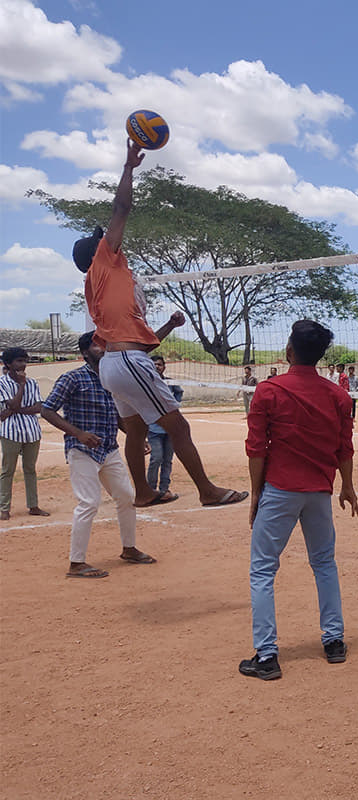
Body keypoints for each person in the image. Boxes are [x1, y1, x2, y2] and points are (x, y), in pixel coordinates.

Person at [72, 139, 247, 509]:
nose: (114, 239)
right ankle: (207, 491)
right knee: (178, 428)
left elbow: (144, 344)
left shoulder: (97, 286)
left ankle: (145, 492)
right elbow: (121, 208)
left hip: (114, 365)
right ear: (99, 250)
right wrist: (128, 168)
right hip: (126, 364)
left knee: (135, 430)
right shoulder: (105, 262)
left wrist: (166, 326)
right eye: (106, 240)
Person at [239, 320, 358, 681]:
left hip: (280, 489)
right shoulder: (337, 395)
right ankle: (334, 642)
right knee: (324, 563)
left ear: (289, 351)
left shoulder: (268, 390)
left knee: (262, 569)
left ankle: (267, 655)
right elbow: (344, 447)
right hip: (319, 491)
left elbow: (256, 447)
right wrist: (347, 486)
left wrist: (256, 493)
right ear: (321, 355)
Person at [40, 332, 156, 578]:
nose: (102, 347)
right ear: (84, 353)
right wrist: (79, 434)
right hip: (82, 449)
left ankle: (129, 549)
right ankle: (76, 563)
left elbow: (116, 414)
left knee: (126, 496)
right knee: (88, 503)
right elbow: (47, 410)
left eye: (104, 343)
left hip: (109, 449)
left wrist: (136, 438)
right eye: (96, 344)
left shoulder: (110, 379)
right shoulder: (73, 378)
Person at [1, 347, 49, 520]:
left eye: (24, 361)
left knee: (30, 469)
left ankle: (33, 505)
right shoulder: (2, 383)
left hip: (32, 432)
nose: (23, 365)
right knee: (8, 470)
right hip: (10, 432)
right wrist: (21, 386)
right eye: (18, 361)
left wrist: (14, 410)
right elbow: (13, 404)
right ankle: (4, 507)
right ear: (8, 363)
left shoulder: (33, 383)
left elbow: (38, 407)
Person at [146, 355, 183, 501]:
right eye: (154, 364)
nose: (157, 367)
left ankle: (164, 489)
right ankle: (151, 489)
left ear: (164, 367)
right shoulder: (146, 383)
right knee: (156, 458)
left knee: (167, 459)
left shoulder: (170, 382)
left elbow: (179, 392)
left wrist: (174, 404)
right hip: (154, 428)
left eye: (159, 364)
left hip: (170, 429)